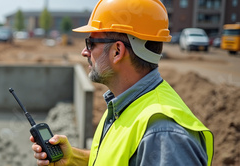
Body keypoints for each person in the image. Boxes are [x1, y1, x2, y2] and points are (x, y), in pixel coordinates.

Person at [31, 0, 214, 165]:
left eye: (91, 43)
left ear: (117, 51)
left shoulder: (163, 135)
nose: (84, 52)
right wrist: (74, 157)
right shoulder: (125, 105)